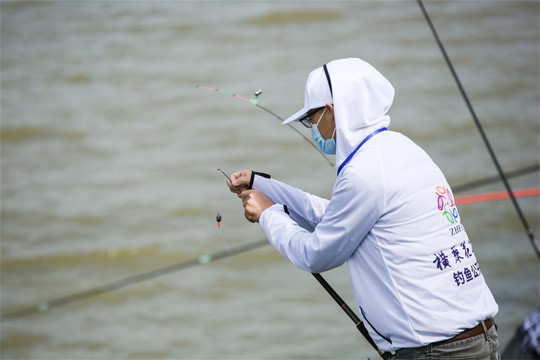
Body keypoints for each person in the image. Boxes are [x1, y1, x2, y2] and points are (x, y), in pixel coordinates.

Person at [227, 58, 500, 359]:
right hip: (476, 340)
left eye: (310, 119)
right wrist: (264, 187)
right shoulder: (401, 150)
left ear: (330, 112)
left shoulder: (364, 173)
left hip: (439, 351)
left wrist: (268, 215)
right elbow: (339, 217)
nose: (312, 128)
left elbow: (315, 254)